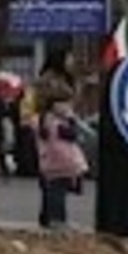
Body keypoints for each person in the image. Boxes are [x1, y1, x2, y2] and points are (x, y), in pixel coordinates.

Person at [33, 82, 89, 232]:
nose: (68, 107)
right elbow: (72, 135)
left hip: (51, 161)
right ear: (54, 105)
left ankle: (52, 219)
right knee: (57, 193)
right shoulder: (56, 123)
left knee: (54, 191)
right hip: (60, 161)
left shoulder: (45, 119)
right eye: (64, 104)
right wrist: (71, 120)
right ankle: (57, 220)